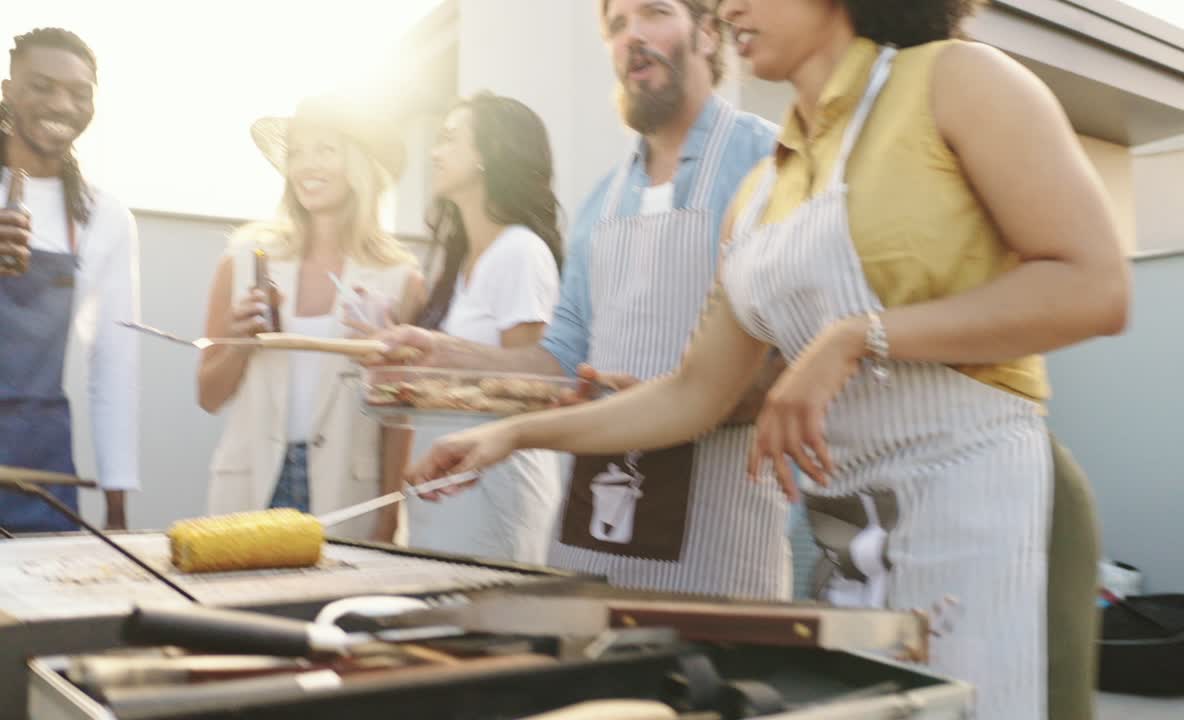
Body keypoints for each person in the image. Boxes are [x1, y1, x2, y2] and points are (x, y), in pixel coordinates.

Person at [400, 1, 1131, 718]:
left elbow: (1095, 287)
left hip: (994, 509)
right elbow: (693, 394)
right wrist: (509, 435)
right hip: (851, 537)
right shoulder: (759, 191)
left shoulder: (957, 80)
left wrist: (855, 336)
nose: (729, 8)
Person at [368, 0, 790, 598]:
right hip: (596, 522)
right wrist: (438, 351)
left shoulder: (770, 163)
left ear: (706, 30)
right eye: (617, 26)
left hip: (721, 526)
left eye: (654, 12)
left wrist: (694, 402)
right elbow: (559, 359)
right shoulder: (602, 200)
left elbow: (801, 358)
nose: (633, 36)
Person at [197, 95, 425, 542]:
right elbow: (208, 395)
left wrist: (388, 515)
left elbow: (400, 418)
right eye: (297, 152)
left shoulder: (401, 279)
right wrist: (240, 344)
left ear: (358, 164)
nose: (306, 165)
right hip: (250, 485)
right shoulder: (242, 261)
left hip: (348, 492)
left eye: (324, 149)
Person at [402, 92, 564, 564]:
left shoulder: (520, 252)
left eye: (451, 139)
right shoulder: (457, 260)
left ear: (490, 155)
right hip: (446, 482)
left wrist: (440, 357)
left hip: (495, 487)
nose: (435, 152)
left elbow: (535, 387)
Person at [0, 28, 139, 532]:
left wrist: (118, 506)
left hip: (44, 474)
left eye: (79, 93)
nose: (62, 104)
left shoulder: (104, 217)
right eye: (42, 85)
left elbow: (114, 368)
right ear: (7, 90)